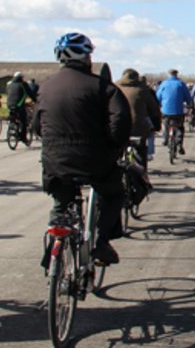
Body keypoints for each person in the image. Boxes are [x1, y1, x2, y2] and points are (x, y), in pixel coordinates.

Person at [32, 32, 131, 265]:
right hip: (94, 159)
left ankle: (54, 247)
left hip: (56, 159)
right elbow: (120, 121)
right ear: (87, 57)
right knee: (114, 193)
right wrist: (114, 146)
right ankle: (102, 242)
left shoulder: (45, 87)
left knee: (62, 200)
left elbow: (37, 125)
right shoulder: (103, 87)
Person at [116, 68, 162, 171]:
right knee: (140, 150)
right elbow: (154, 109)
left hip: (118, 127)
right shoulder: (143, 90)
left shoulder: (115, 88)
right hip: (138, 128)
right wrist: (156, 126)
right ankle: (142, 175)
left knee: (116, 150)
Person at [156, 69, 192, 155]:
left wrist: (159, 104)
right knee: (180, 127)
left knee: (166, 124)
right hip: (178, 111)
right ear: (176, 75)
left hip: (166, 110)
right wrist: (189, 104)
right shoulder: (181, 84)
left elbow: (158, 96)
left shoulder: (163, 84)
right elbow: (187, 96)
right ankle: (179, 144)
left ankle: (165, 139)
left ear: (169, 75)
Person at [6, 72, 37, 145]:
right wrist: (36, 101)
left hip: (9, 104)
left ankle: (12, 126)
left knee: (13, 116)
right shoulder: (23, 84)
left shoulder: (9, 84)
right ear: (21, 77)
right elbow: (30, 93)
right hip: (18, 104)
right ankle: (23, 138)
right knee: (23, 120)